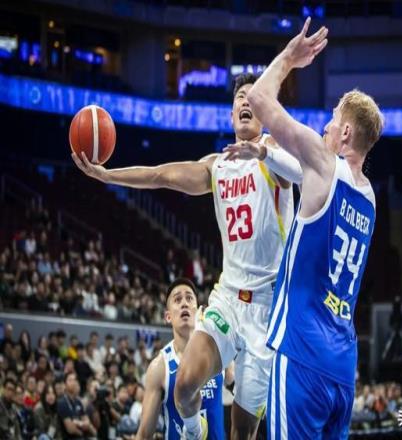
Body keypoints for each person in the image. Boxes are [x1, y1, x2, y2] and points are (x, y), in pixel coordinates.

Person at [72, 72, 302, 439]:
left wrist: (264, 151)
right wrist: (108, 176)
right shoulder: (217, 165)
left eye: (253, 97)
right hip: (228, 299)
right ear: (231, 115)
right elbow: (160, 175)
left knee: (243, 431)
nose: (246, 101)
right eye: (240, 98)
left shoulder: (274, 151)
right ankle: (194, 433)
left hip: (268, 309)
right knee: (183, 385)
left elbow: (301, 170)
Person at [242, 17, 383, 439]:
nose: (324, 127)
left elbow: (258, 98)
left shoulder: (323, 163)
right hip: (342, 366)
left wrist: (289, 57)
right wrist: (266, 155)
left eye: (332, 120)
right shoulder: (369, 198)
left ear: (345, 132)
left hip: (302, 353)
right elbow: (307, 178)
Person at [135, 278, 225, 439]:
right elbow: (144, 435)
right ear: (168, 316)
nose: (184, 303)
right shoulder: (160, 367)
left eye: (189, 298)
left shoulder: (218, 351)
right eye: (177, 300)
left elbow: (239, 389)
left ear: (198, 311)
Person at [57, 372, 97, 438]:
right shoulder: (62, 402)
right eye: (70, 380)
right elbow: (70, 429)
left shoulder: (78, 402)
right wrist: (81, 433)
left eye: (74, 380)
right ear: (65, 385)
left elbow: (87, 422)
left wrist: (78, 423)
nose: (73, 382)